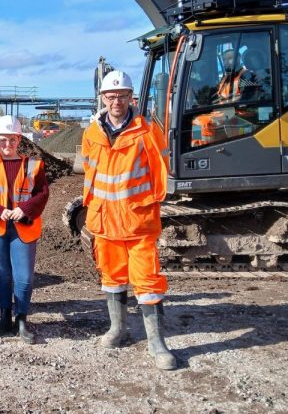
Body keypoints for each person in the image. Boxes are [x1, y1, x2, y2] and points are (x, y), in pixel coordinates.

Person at [81, 70, 177, 370]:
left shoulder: (147, 131)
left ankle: (156, 342)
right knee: (111, 278)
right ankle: (118, 328)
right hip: (105, 220)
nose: (116, 101)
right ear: (103, 98)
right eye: (111, 96)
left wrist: (146, 205)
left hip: (137, 221)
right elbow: (88, 171)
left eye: (122, 96)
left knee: (146, 280)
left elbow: (160, 173)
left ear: (130, 97)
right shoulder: (91, 134)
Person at [0, 115, 49, 343]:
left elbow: (42, 194)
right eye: (3, 140)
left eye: (12, 140)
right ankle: (5, 317)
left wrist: (24, 209)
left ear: (19, 140)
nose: (8, 145)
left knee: (23, 277)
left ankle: (21, 319)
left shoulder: (33, 165)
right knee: (2, 275)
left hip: (23, 227)